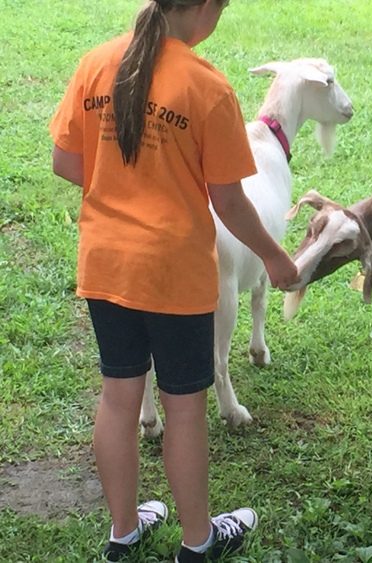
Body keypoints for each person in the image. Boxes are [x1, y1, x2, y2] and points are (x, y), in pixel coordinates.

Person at [49, 0, 299, 560]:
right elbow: (229, 201)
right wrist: (276, 259)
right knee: (184, 407)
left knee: (118, 398)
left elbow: (66, 162)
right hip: (175, 271)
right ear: (205, 8)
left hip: (106, 264)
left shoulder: (95, 63)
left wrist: (122, 187)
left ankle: (123, 533)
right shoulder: (206, 86)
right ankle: (197, 542)